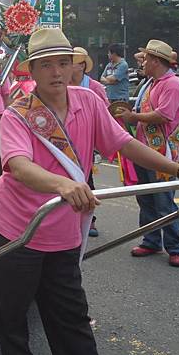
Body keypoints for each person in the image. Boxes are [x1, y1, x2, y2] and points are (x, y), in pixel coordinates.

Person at [0, 29, 179, 355]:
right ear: (32, 71)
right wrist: (63, 184)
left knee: (71, 319)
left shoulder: (88, 102)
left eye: (62, 63)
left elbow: (124, 143)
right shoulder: (17, 114)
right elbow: (18, 165)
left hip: (63, 232)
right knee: (13, 319)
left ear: (74, 67)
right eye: (45, 66)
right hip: (14, 230)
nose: (55, 72)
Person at [115, 40, 179, 267]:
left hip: (161, 151)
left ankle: (175, 247)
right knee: (146, 198)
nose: (143, 62)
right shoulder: (153, 82)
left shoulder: (172, 84)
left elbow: (163, 115)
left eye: (147, 59)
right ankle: (151, 240)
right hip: (144, 148)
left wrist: (133, 118)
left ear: (156, 62)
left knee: (164, 202)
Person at [71, 47, 109, 237]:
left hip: (87, 144)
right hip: (66, 142)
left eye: (73, 62)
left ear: (82, 65)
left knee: (86, 180)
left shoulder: (94, 88)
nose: (69, 66)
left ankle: (89, 220)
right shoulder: (62, 85)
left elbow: (105, 115)